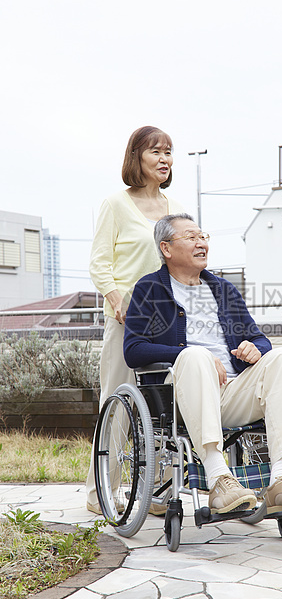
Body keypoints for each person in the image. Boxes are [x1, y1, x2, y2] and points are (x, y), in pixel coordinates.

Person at [123, 213, 282, 515]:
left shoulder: (223, 289)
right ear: (166, 248)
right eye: (191, 237)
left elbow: (260, 339)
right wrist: (188, 353)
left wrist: (254, 349)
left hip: (232, 392)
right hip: (181, 397)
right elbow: (134, 349)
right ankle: (219, 479)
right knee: (195, 355)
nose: (201, 242)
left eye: (203, 236)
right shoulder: (149, 289)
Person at [86, 126, 182, 513]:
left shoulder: (172, 207)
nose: (164, 159)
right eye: (156, 151)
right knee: (117, 403)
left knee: (165, 407)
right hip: (127, 319)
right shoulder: (115, 204)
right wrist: (115, 297)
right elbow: (99, 262)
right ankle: (100, 493)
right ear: (137, 157)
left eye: (169, 152)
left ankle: (158, 491)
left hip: (165, 320)